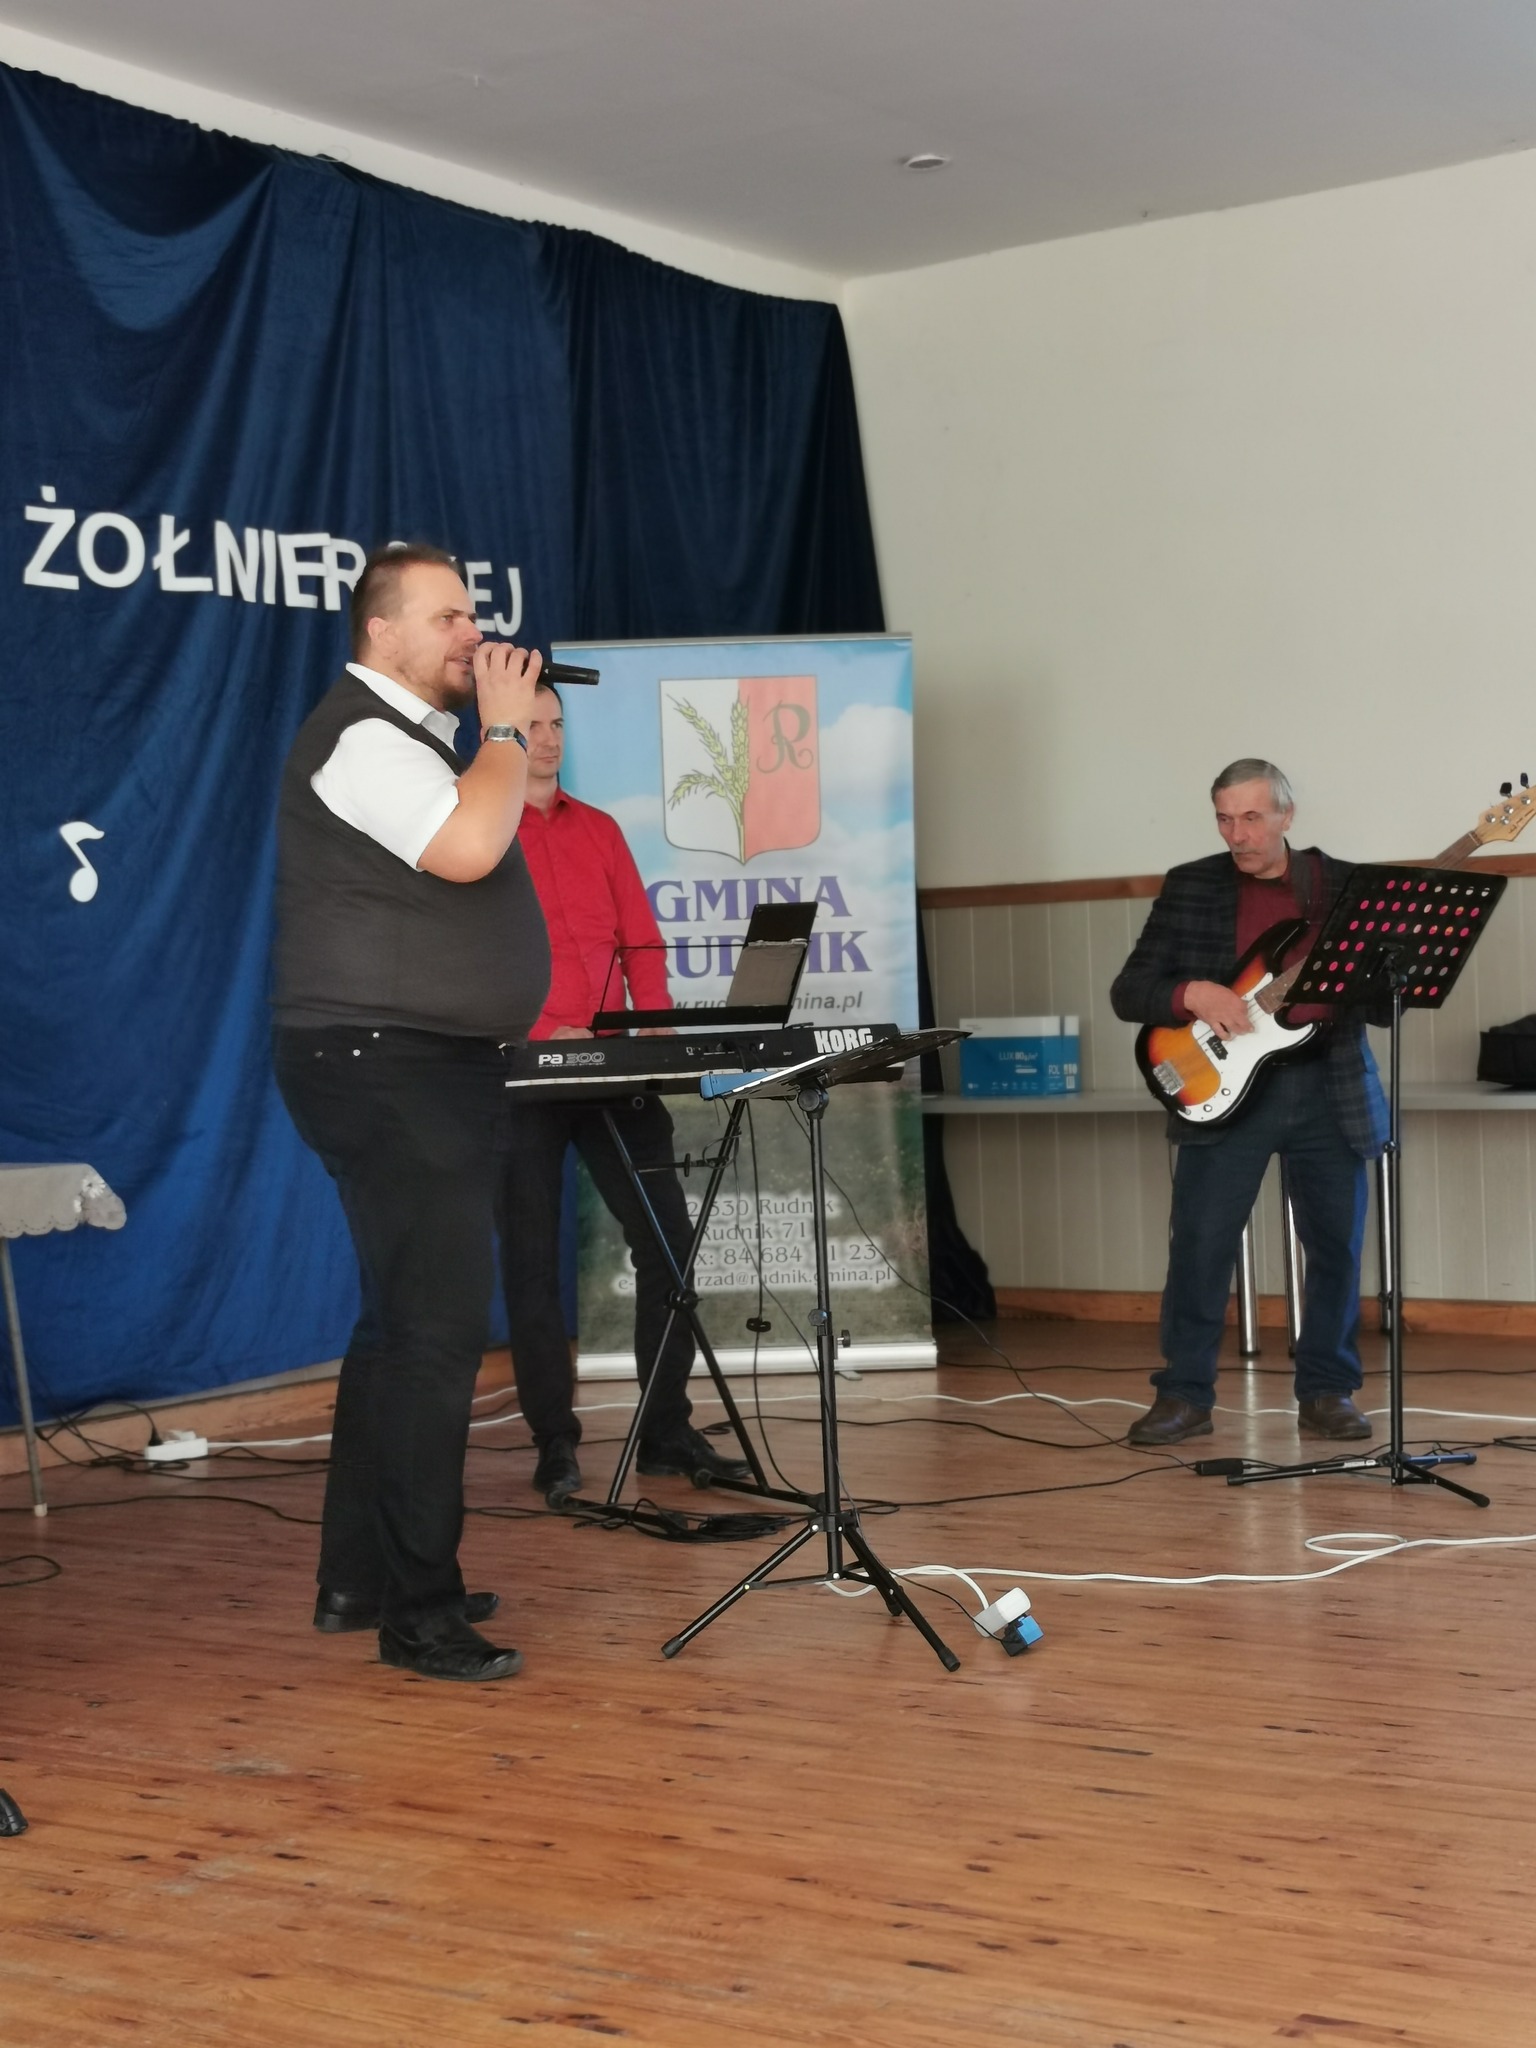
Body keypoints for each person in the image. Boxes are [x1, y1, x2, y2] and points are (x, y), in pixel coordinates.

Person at [272, 543, 549, 1682]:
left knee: (398, 1332)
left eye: (473, 616)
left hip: (414, 1062)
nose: (474, 636)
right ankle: (420, 1616)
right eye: (448, 618)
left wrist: (491, 738)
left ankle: (363, 1580)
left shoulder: (418, 740)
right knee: (434, 1337)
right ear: (380, 631)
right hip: (385, 1063)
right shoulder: (363, 738)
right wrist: (507, 730)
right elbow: (471, 846)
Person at [497, 678, 749, 1506]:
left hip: (615, 1070)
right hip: (525, 1074)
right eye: (530, 725)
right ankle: (554, 1442)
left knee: (669, 1246)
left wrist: (651, 1039)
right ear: (498, 729)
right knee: (532, 1266)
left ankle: (666, 1431)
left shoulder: (600, 829)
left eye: (556, 724)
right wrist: (545, 1031)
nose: (547, 738)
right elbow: (473, 959)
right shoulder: (478, 829)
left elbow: (641, 942)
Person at [1110, 759, 1387, 1448]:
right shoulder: (1192, 885)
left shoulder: (1346, 885)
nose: (1238, 834)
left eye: (1253, 818)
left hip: (1329, 1085)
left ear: (1287, 815)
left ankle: (1327, 1391)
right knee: (1200, 1244)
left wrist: (1389, 969)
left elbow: (1386, 1006)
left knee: (1336, 1246)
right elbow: (1130, 990)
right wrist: (1193, 994)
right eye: (1225, 819)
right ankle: (1184, 1396)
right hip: (1226, 1089)